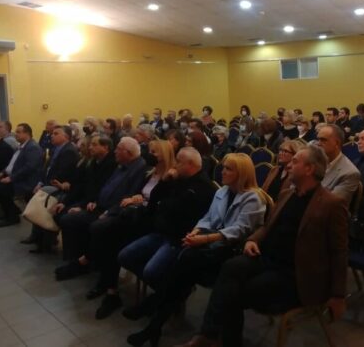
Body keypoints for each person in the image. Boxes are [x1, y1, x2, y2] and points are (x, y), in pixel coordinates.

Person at [175, 145, 348, 347]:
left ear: (309, 169)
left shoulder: (332, 204)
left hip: (295, 273)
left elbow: (339, 252)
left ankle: (215, 338)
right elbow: (267, 227)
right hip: (268, 259)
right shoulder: (287, 194)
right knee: (231, 267)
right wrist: (253, 240)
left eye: (295, 162)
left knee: (235, 292)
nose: (288, 165)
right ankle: (209, 336)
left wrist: (338, 295)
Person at [124, 153, 269, 346]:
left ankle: (154, 318)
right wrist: (195, 231)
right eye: (224, 167)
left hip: (232, 252)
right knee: (183, 269)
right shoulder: (223, 192)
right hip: (212, 247)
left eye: (228, 169)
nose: (222, 171)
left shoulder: (253, 198)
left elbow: (239, 230)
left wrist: (204, 238)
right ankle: (154, 325)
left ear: (241, 173)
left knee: (184, 265)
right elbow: (208, 218)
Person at [117, 148, 215, 313]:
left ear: (190, 165)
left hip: (179, 238)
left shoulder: (204, 187)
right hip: (161, 232)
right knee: (124, 256)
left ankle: (168, 295)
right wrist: (164, 181)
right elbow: (155, 199)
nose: (174, 165)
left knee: (150, 272)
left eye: (179, 162)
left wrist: (164, 204)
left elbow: (176, 209)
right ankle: (170, 291)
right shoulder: (177, 179)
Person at [89, 140, 176, 319]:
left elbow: (162, 206)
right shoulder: (150, 173)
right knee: (106, 234)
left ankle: (109, 288)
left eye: (154, 152)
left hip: (150, 222)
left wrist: (143, 201)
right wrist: (136, 198)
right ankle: (109, 288)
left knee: (111, 237)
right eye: (149, 150)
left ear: (164, 155)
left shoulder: (170, 178)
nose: (149, 154)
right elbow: (137, 193)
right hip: (135, 215)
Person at [54, 136, 146, 281]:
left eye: (118, 149)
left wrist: (108, 211)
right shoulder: (121, 164)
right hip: (101, 206)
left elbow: (129, 195)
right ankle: (78, 258)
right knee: (68, 218)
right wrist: (95, 201)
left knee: (94, 226)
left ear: (128, 153)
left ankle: (84, 261)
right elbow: (105, 186)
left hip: (116, 212)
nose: (114, 151)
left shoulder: (138, 168)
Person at [23, 125, 80, 253]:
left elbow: (62, 174)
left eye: (56, 133)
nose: (51, 136)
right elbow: (47, 169)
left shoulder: (69, 151)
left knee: (42, 199)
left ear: (66, 136)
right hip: (50, 183)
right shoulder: (56, 149)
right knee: (34, 194)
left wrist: (45, 186)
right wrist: (40, 183)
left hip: (61, 187)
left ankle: (44, 240)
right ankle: (39, 236)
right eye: (52, 133)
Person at [0, 123, 44, 227]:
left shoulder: (32, 147)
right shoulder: (21, 146)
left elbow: (29, 167)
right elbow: (12, 164)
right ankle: (11, 211)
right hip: (15, 176)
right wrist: (2, 173)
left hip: (27, 181)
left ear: (27, 134)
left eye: (18, 132)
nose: (15, 134)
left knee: (2, 189)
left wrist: (11, 178)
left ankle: (12, 217)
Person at [315, 125, 361, 205]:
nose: (318, 144)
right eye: (318, 139)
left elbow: (331, 204)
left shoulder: (350, 173)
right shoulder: (313, 161)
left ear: (336, 143)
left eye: (323, 140)